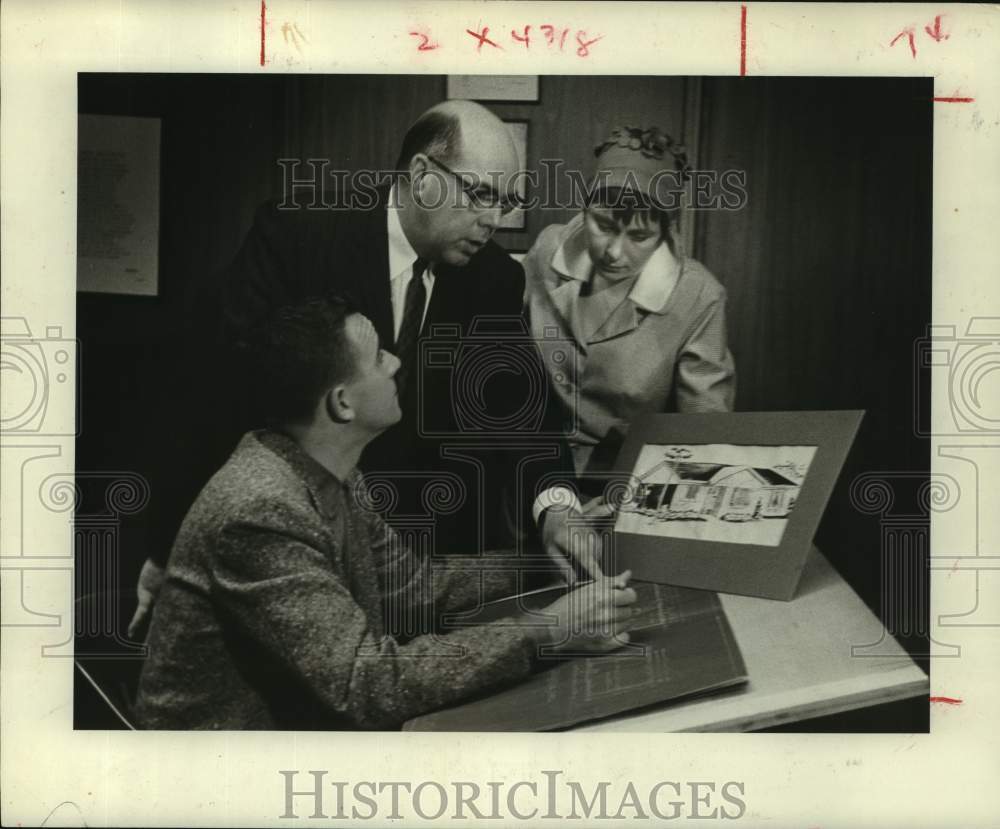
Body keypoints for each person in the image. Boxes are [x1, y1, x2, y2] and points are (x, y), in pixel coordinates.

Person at [129, 100, 589, 638]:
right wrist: (165, 547)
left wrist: (557, 507)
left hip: (427, 556)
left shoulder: (493, 278)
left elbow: (523, 408)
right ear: (422, 176)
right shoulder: (298, 238)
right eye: (482, 194)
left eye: (506, 201)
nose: (494, 220)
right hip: (298, 546)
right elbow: (211, 395)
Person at [134, 296, 636, 729]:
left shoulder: (331, 470)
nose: (396, 362)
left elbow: (413, 593)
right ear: (342, 404)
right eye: (377, 358)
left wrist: (540, 559)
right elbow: (364, 683)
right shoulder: (261, 509)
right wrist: (544, 628)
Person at [522, 125, 736, 478]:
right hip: (530, 473)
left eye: (639, 236)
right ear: (585, 208)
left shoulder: (699, 297)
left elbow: (704, 436)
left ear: (665, 230)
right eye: (603, 225)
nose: (614, 252)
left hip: (625, 485)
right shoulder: (548, 251)